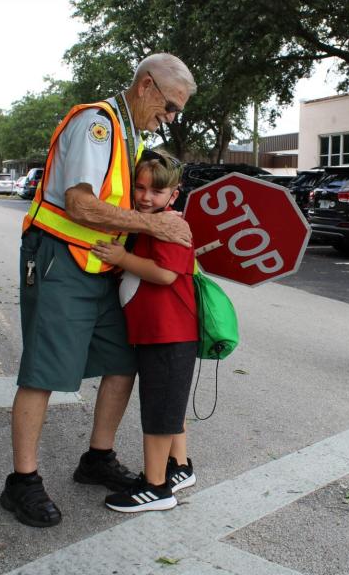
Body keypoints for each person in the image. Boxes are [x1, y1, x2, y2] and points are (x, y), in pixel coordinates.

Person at [0, 54, 196, 528]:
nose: (170, 119)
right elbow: (81, 204)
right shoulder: (98, 126)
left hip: (100, 266)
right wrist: (161, 228)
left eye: (176, 112)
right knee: (44, 370)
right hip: (61, 259)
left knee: (122, 361)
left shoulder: (134, 136)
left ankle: (97, 458)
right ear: (147, 86)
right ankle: (21, 481)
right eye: (169, 106)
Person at [91, 148, 198, 513]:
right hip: (156, 332)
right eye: (139, 188)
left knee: (159, 410)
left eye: (156, 191)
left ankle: (156, 488)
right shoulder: (147, 223)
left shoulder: (171, 226)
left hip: (169, 332)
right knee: (168, 404)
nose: (145, 197)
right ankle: (178, 467)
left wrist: (122, 258)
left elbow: (165, 274)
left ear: (174, 194)